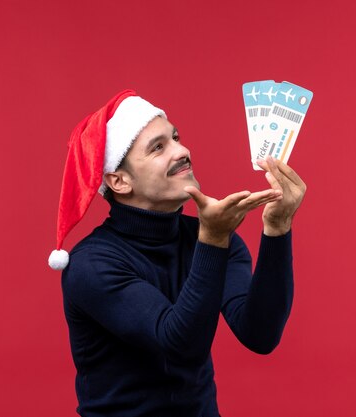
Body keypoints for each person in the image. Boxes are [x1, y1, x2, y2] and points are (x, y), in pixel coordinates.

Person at [48, 89, 306, 417]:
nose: (182, 150)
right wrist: (212, 238)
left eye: (175, 137)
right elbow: (180, 346)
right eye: (158, 147)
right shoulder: (91, 264)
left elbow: (261, 334)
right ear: (119, 181)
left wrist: (278, 228)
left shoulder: (210, 237)